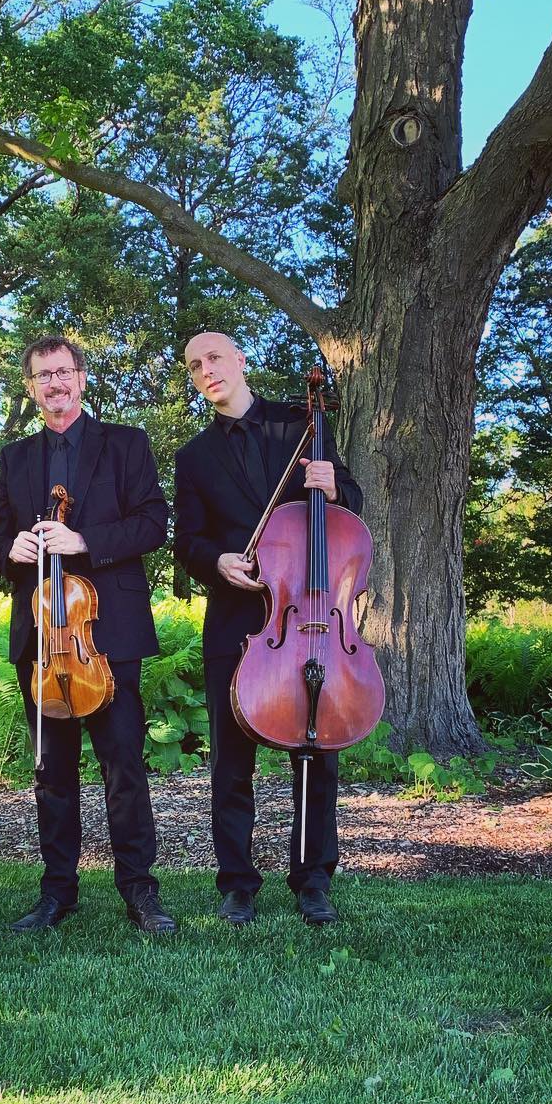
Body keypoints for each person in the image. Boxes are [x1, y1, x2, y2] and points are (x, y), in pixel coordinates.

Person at [0, 335, 176, 935]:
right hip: (42, 639)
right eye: (43, 375)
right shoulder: (15, 458)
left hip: (107, 637)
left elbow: (153, 522)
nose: (55, 384)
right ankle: (57, 893)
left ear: (82, 379)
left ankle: (140, 891)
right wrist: (12, 550)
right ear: (30, 386)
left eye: (64, 372)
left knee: (123, 766)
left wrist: (86, 540)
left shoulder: (126, 443)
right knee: (51, 771)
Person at [173, 331, 363, 926]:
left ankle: (313, 879)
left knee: (315, 746)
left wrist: (337, 486)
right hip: (237, 617)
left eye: (216, 359)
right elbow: (189, 542)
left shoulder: (299, 425)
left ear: (241, 362)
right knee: (231, 758)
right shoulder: (194, 456)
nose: (207, 370)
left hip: (309, 614)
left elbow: (350, 503)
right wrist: (217, 562)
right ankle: (236, 882)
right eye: (195, 365)